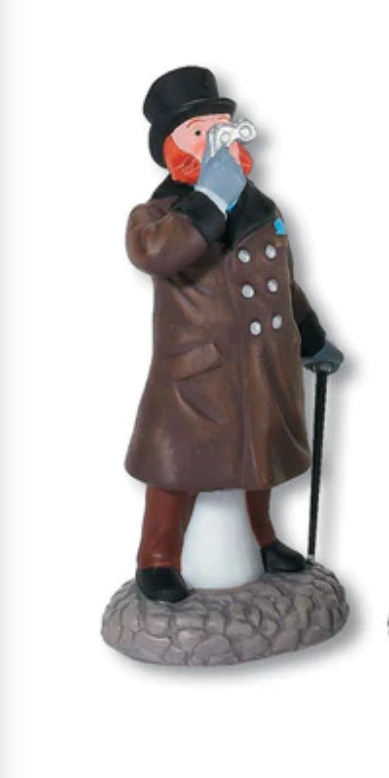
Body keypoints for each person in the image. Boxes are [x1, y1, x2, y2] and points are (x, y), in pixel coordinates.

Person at [126, 66, 343, 603]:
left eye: (220, 127)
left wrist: (311, 337)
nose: (214, 141)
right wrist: (209, 200)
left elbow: (280, 284)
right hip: (200, 369)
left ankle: (262, 537)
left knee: (258, 456)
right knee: (178, 467)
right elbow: (157, 254)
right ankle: (157, 558)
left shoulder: (262, 209)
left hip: (263, 360)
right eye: (198, 132)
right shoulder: (155, 215)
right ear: (171, 147)